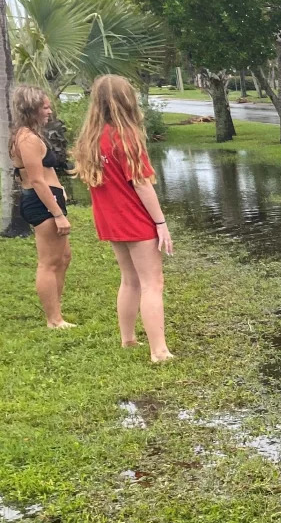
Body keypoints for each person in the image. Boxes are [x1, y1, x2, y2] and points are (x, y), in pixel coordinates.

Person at [73, 75, 174, 363]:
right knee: (152, 283)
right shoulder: (126, 137)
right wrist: (160, 222)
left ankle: (128, 339)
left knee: (130, 280)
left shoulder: (92, 139)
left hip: (110, 220)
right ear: (127, 100)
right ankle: (159, 351)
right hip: (134, 220)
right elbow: (142, 183)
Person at [10, 85, 75, 329]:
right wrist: (57, 214)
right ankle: (53, 320)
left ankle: (56, 310)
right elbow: (36, 180)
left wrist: (60, 191)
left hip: (50, 199)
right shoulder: (26, 138)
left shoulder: (32, 134)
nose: (49, 111)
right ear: (31, 109)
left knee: (64, 257)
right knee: (48, 262)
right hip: (42, 204)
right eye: (45, 107)